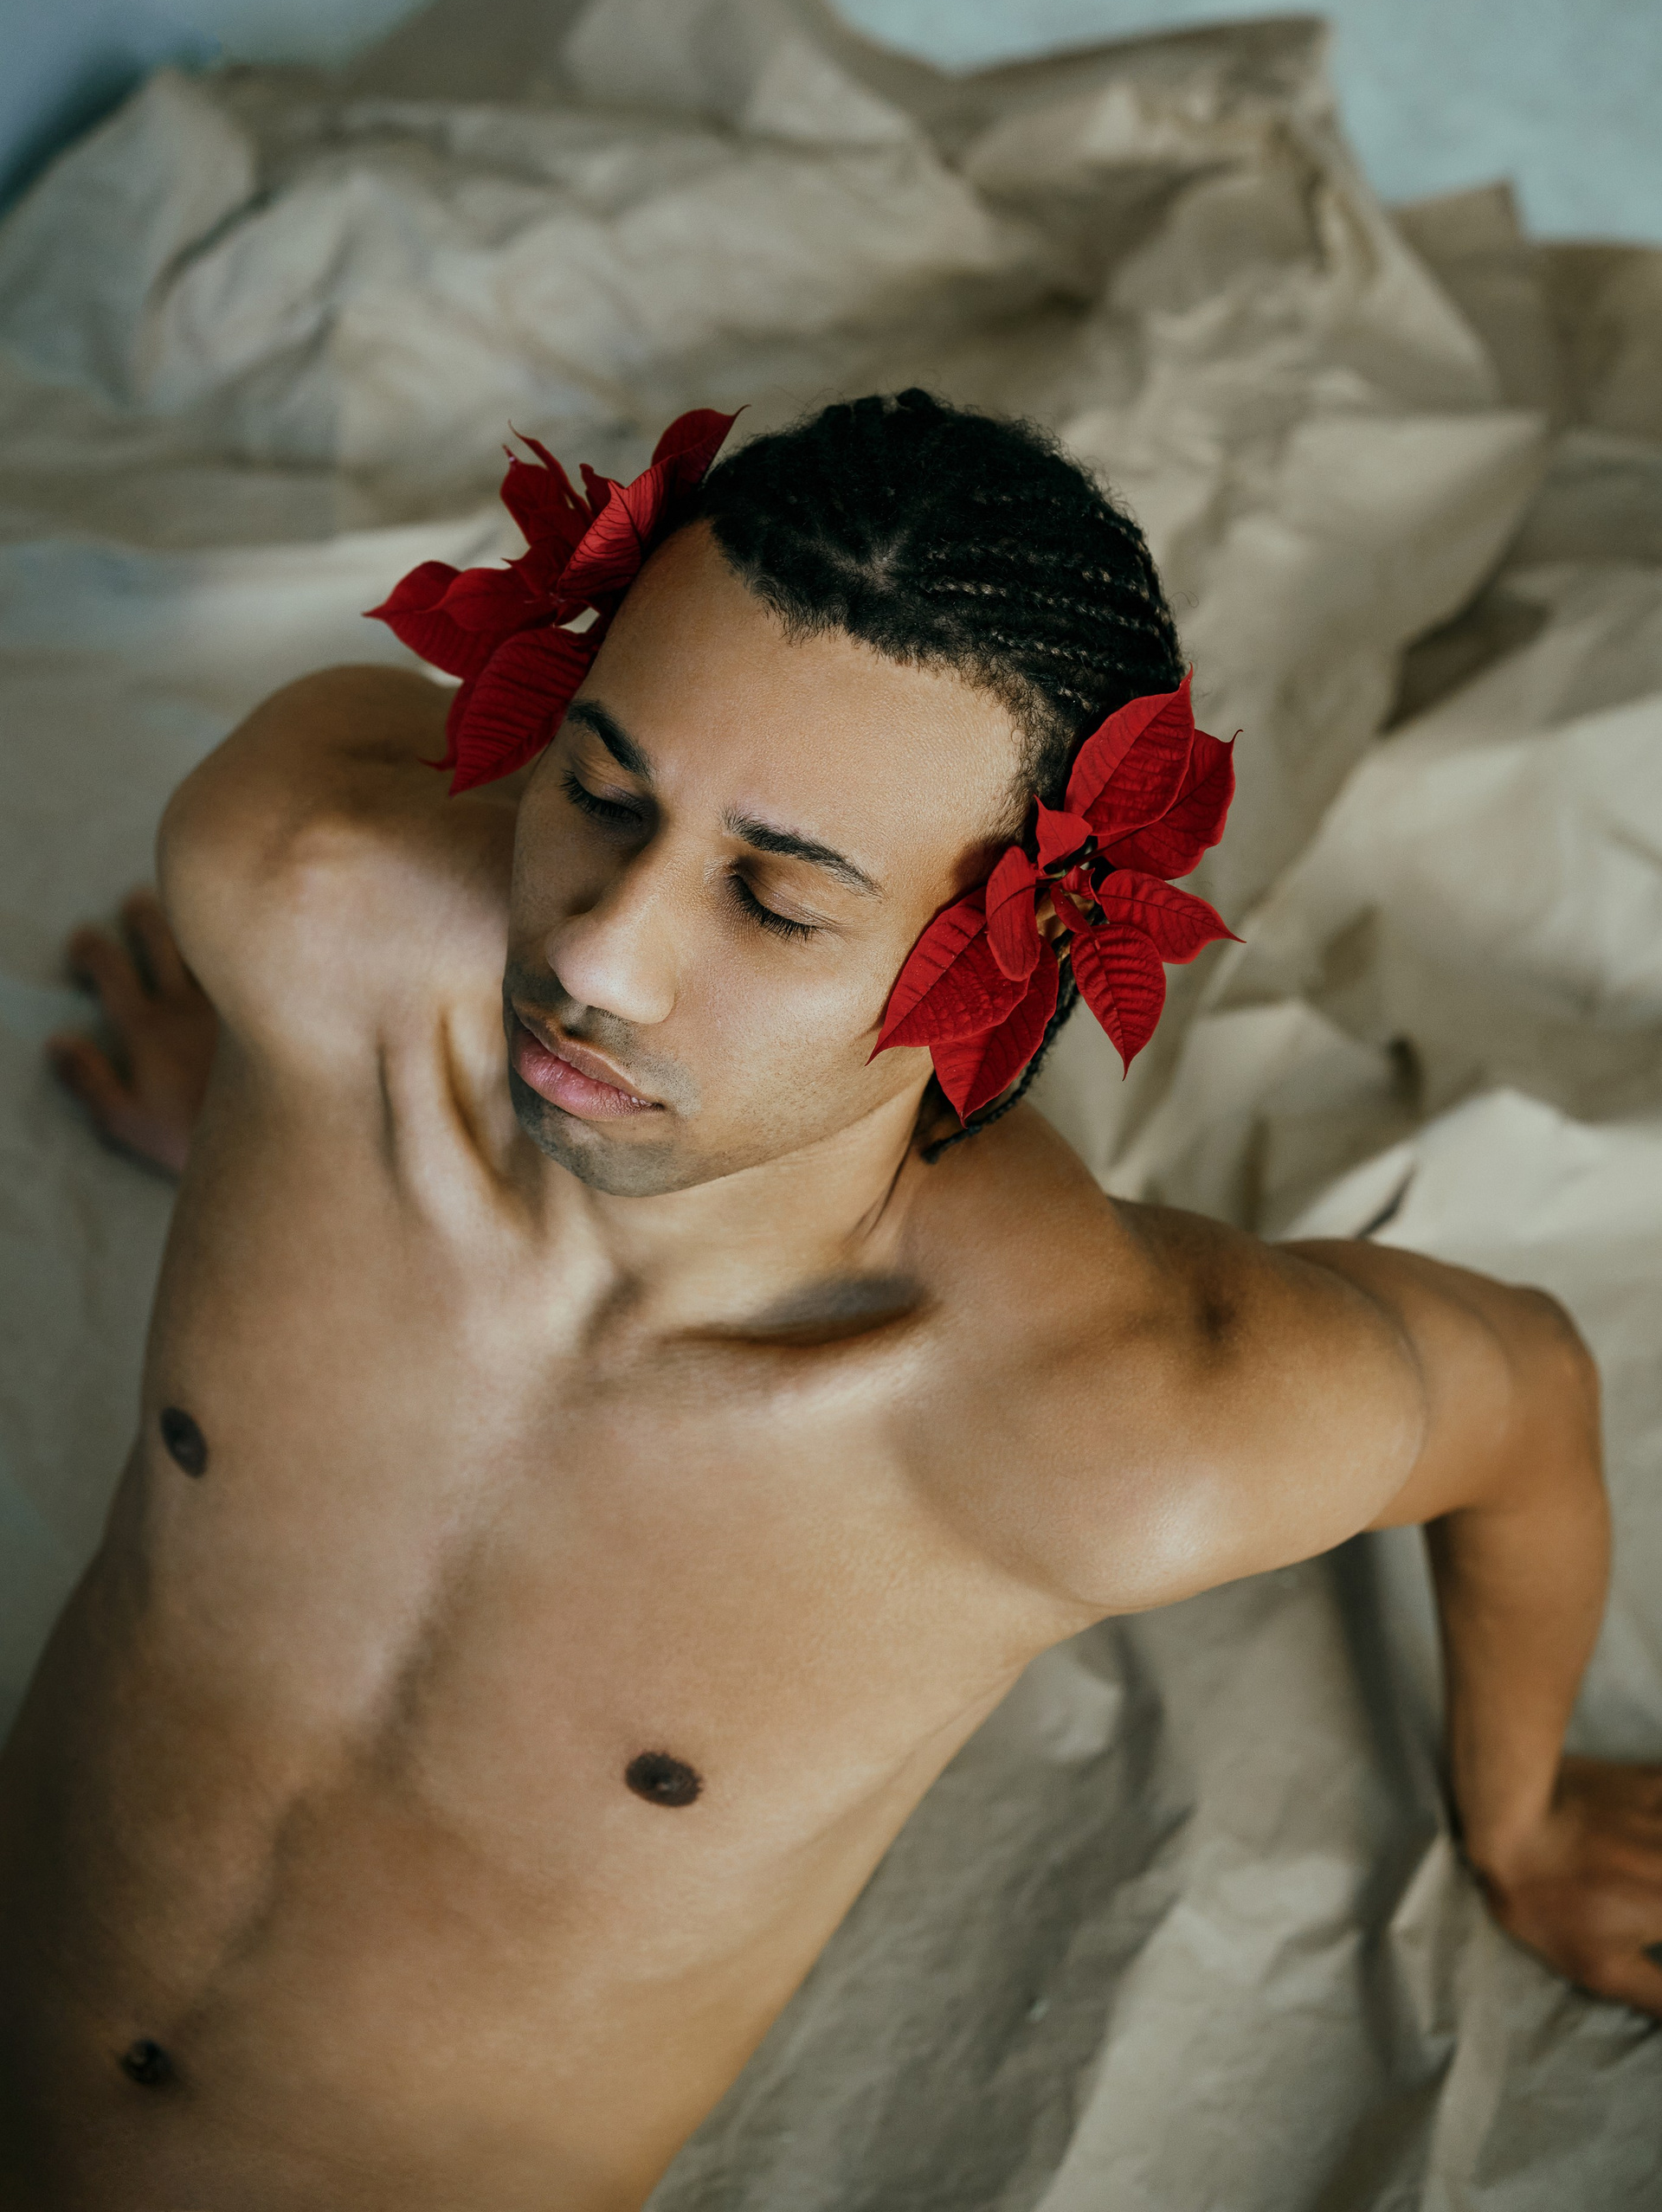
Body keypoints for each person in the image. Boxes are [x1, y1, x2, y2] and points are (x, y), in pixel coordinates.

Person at [4, 392, 1659, 2210]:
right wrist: (273, 1087)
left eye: (778, 902)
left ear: (1001, 966)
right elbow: (390, 843)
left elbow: (1525, 1381)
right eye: (603, 793)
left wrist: (1522, 1818)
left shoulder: (1090, 1425)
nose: (596, 955)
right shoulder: (300, 902)